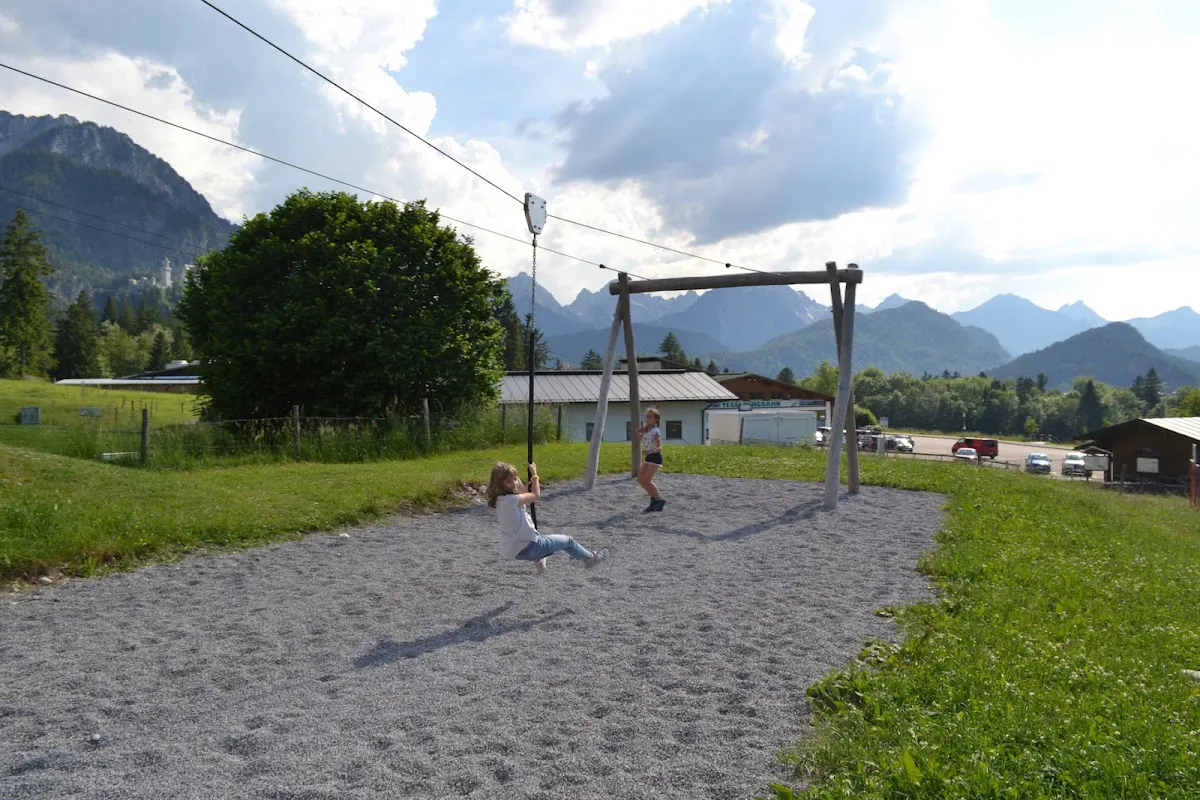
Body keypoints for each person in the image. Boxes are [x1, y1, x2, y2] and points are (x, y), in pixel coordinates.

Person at [485, 462, 609, 572]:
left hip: (516, 551)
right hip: (532, 547)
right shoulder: (512, 500)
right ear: (500, 485)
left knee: (540, 537)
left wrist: (528, 488)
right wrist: (535, 476)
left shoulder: (501, 500)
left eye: (515, 479)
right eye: (508, 481)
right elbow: (535, 495)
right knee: (568, 541)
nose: (514, 483)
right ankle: (591, 559)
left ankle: (540, 560)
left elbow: (522, 496)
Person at [635, 407, 665, 513]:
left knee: (647, 480)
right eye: (646, 416)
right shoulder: (646, 429)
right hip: (649, 457)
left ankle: (659, 500)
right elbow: (644, 440)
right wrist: (638, 434)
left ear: (656, 419)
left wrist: (651, 451)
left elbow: (660, 446)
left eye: (650, 417)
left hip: (655, 457)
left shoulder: (655, 431)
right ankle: (654, 499)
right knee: (640, 479)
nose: (647, 418)